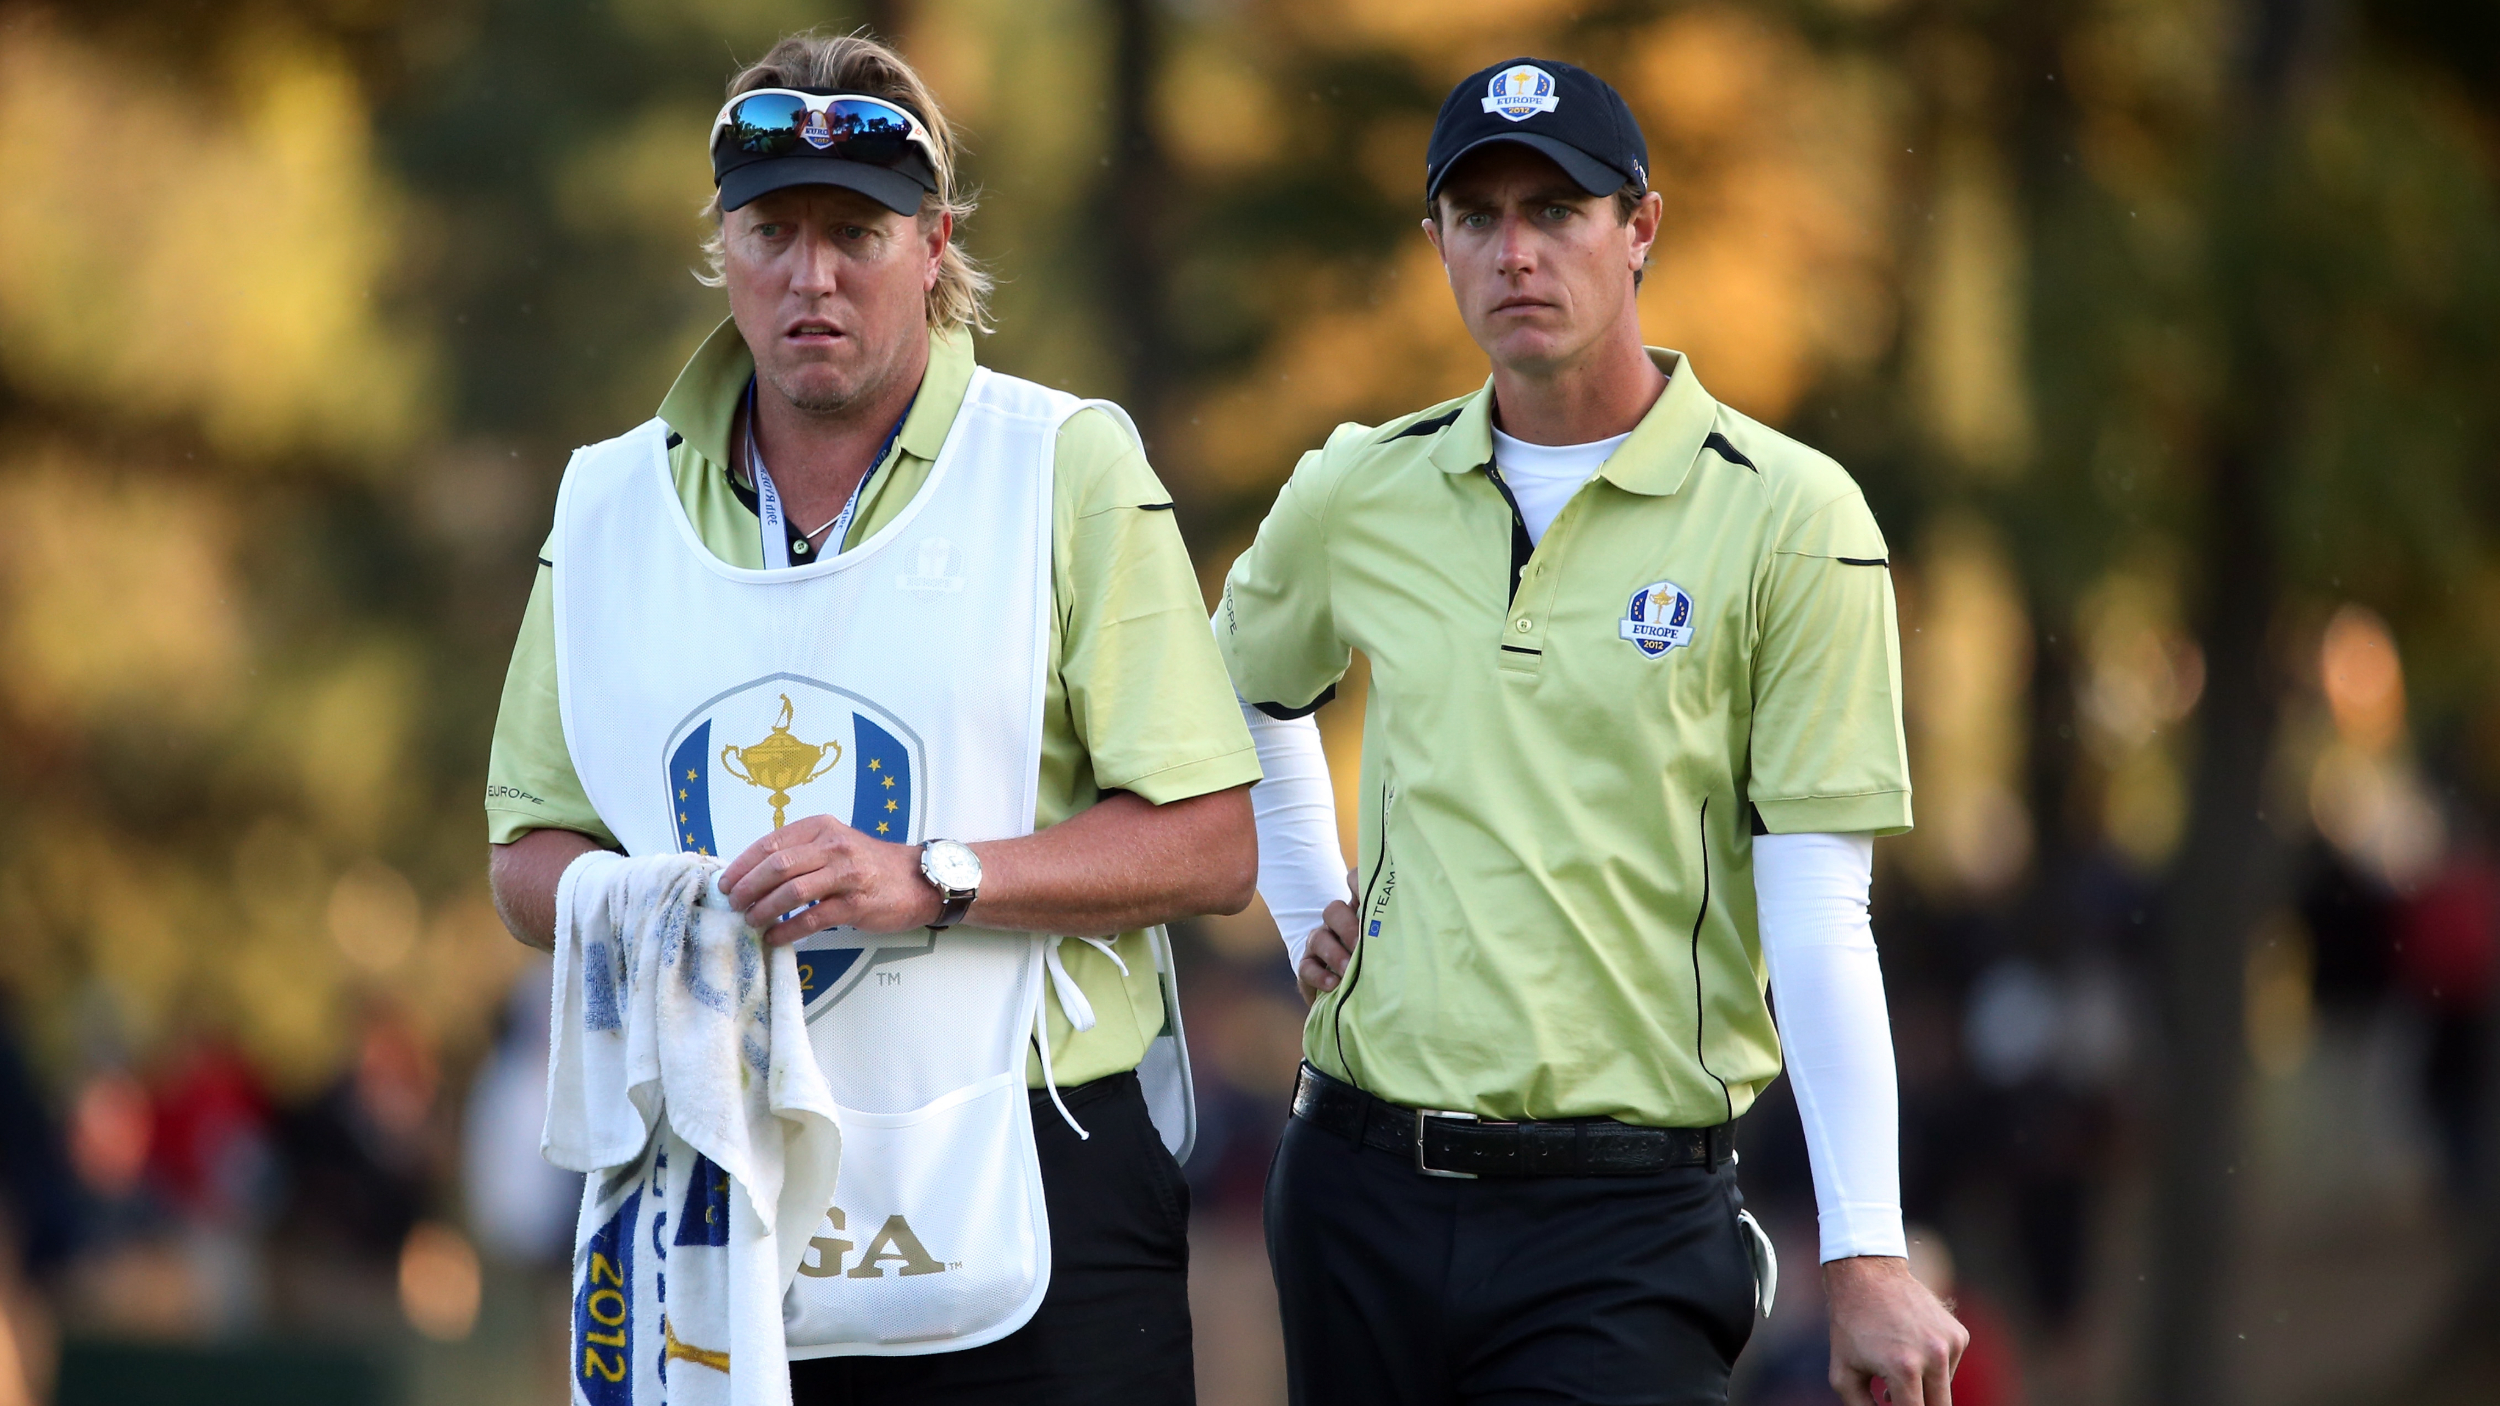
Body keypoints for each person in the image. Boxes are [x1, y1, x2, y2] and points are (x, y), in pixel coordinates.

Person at [483, 31, 1258, 1405]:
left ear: (935, 242)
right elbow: (527, 860)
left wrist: (932, 876)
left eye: (858, 230)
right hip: (719, 1185)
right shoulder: (605, 505)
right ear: (722, 242)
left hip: (1041, 1160)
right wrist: (669, 900)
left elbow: (1209, 841)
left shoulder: (1063, 465)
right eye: (773, 228)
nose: (812, 274)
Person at [1220, 58, 1969, 1406]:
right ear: (1437, 241)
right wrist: (1303, 905)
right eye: (1479, 214)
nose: (1517, 250)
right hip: (1354, 1189)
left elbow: (1817, 912)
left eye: (1558, 209)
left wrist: (1865, 1249)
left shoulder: (1793, 520)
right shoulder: (1358, 487)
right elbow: (1248, 690)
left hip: (1622, 1222)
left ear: (1642, 231)